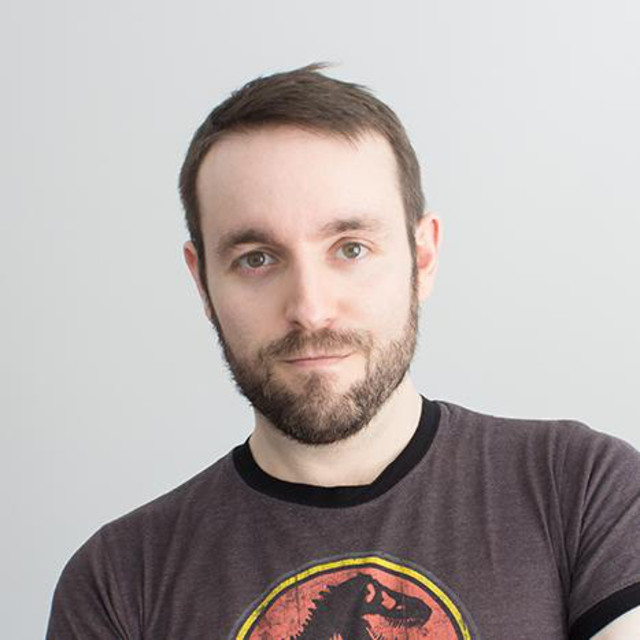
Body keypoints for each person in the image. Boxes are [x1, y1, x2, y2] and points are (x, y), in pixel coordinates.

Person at [46, 63, 640, 640]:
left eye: (350, 248)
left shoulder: (582, 489)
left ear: (423, 257)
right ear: (202, 283)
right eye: (257, 259)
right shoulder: (118, 583)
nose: (310, 308)